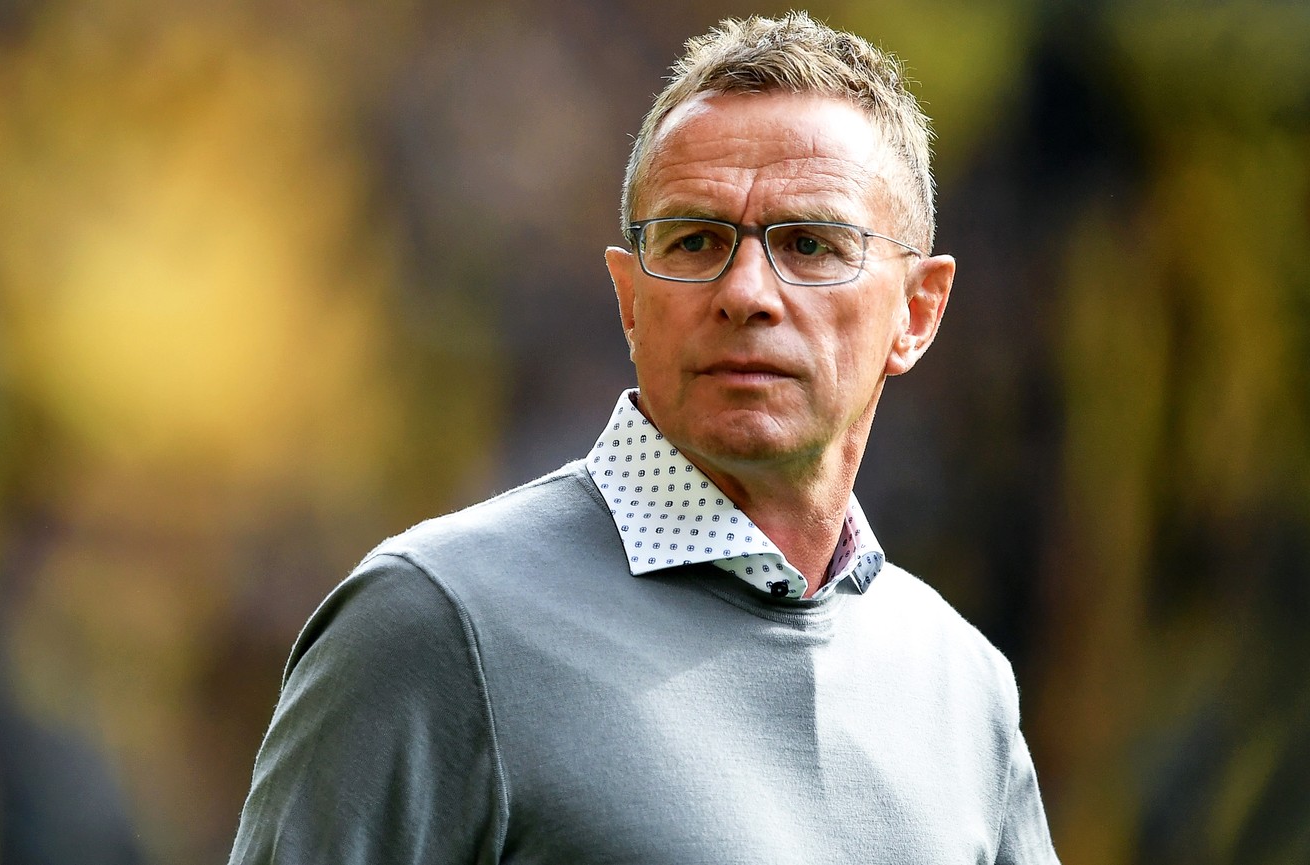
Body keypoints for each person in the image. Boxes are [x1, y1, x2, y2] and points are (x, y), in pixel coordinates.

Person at [228, 11, 1059, 864]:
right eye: (695, 241)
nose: (746, 293)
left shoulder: (964, 687)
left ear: (917, 312)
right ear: (630, 299)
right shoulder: (434, 624)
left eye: (810, 244)